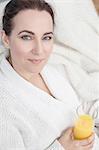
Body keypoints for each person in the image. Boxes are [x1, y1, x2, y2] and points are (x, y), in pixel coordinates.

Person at [0, 0, 99, 149]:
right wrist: (61, 147)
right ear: (5, 38)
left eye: (46, 37)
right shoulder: (4, 108)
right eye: (27, 37)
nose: (39, 50)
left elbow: (77, 108)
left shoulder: (51, 68)